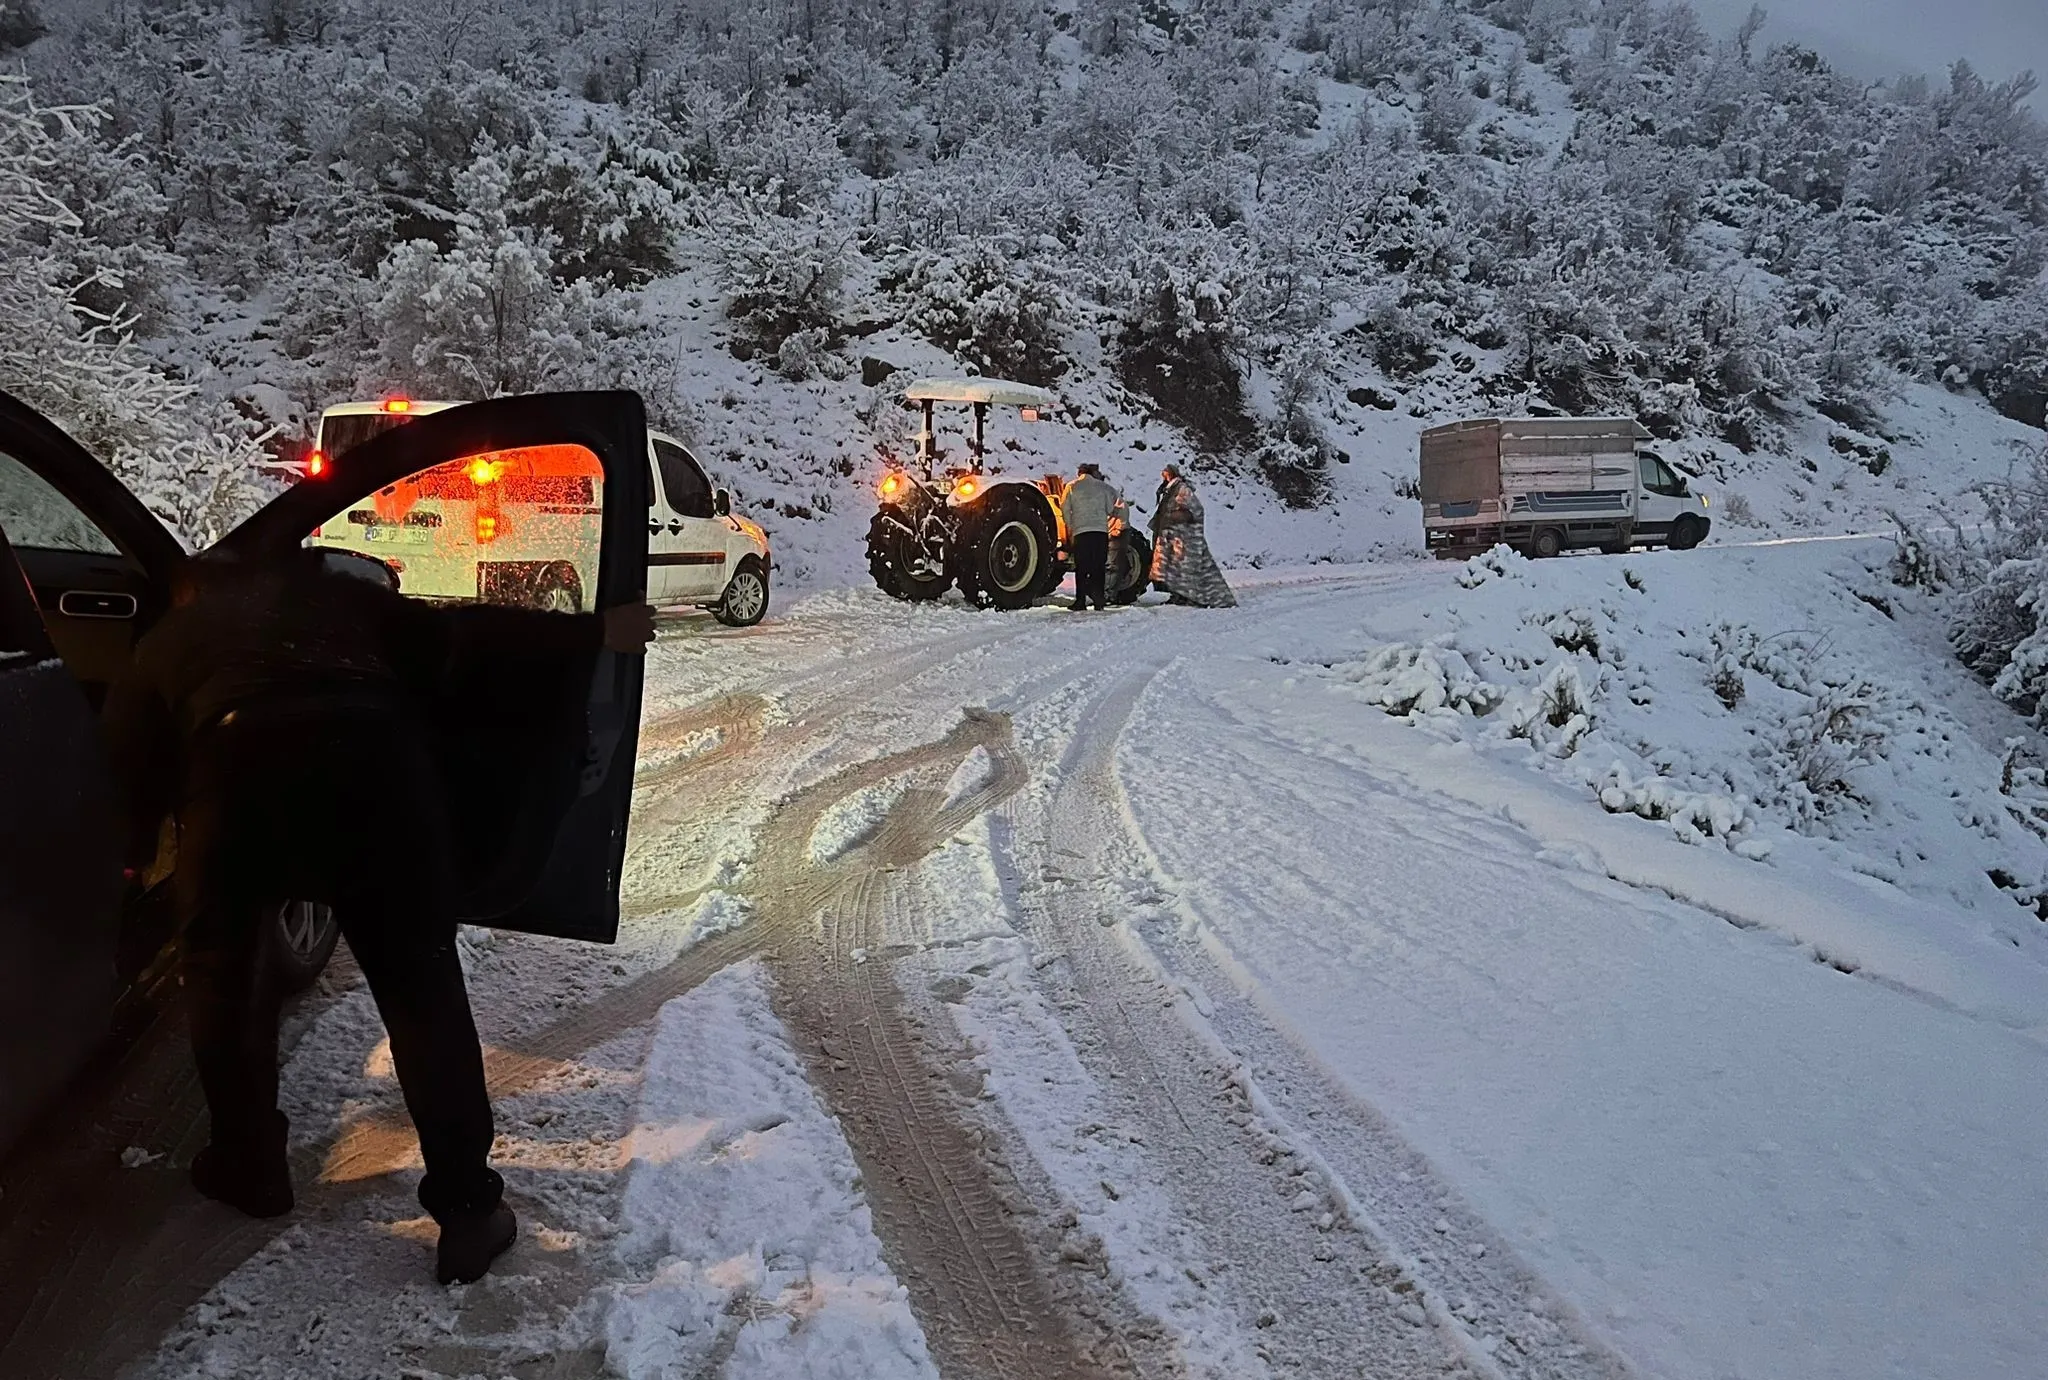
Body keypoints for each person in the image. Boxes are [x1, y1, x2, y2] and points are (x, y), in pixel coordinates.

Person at [101, 545, 655, 1286]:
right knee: (420, 991)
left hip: (238, 793)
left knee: (222, 979)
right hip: (378, 787)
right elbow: (472, 637)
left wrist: (133, 868)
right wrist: (594, 633)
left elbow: (128, 767)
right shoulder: (350, 607)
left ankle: (250, 1164)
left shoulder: (172, 637)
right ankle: (466, 1211)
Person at [1148, 464, 1236, 608]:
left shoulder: (1182, 489)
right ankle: (1176, 595)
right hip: (1170, 536)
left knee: (1183, 568)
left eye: (1165, 474)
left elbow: (1196, 510)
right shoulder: (1169, 490)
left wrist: (1175, 516)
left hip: (1181, 537)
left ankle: (1188, 596)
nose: (1163, 477)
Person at [1060, 461, 1119, 611]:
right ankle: (1099, 600)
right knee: (1098, 566)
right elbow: (1111, 508)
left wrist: (1071, 526)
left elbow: (1065, 508)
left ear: (1079, 473)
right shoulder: (1102, 487)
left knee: (1082, 567)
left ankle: (1080, 601)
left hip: (1081, 532)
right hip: (1100, 532)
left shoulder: (1072, 487)